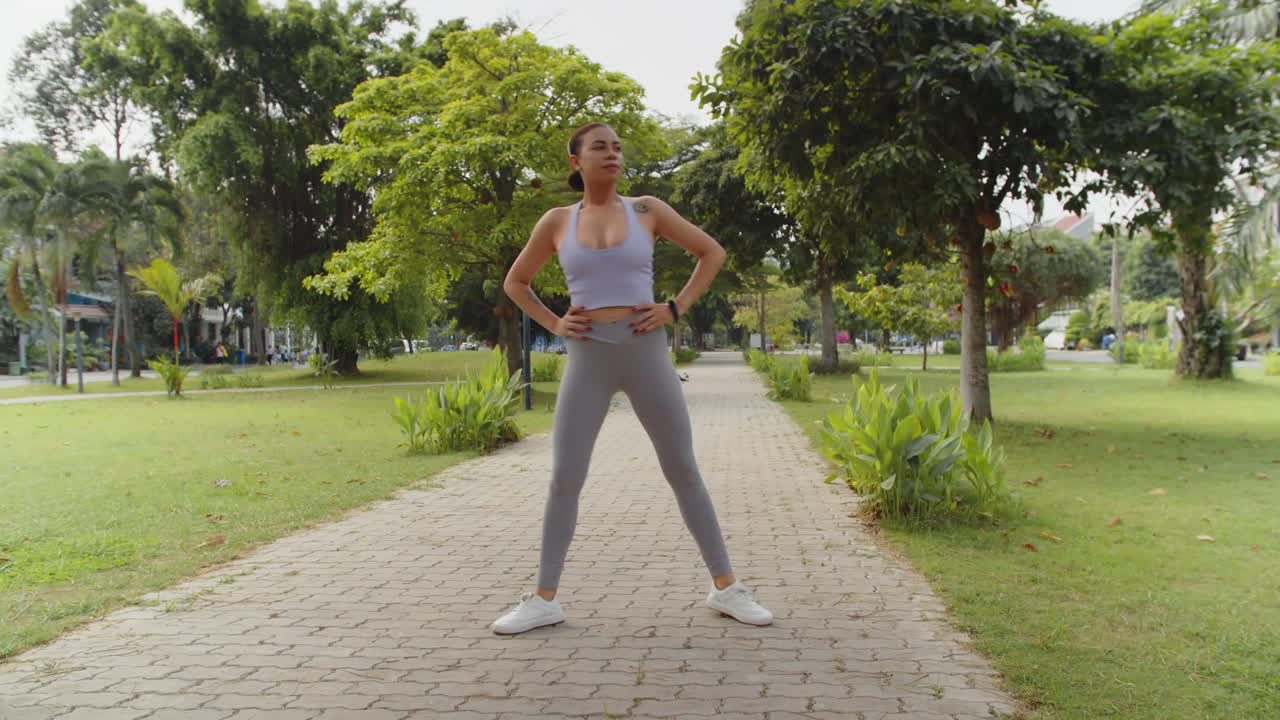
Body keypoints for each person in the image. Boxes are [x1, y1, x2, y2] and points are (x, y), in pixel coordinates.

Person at [493, 122, 773, 635]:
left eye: (618, 146)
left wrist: (676, 306)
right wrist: (555, 323)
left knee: (683, 470)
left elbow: (712, 253)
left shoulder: (647, 209)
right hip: (587, 356)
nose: (613, 153)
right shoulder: (556, 220)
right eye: (600, 146)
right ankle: (543, 599)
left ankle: (727, 588)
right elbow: (517, 282)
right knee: (565, 478)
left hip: (645, 352)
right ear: (576, 161)